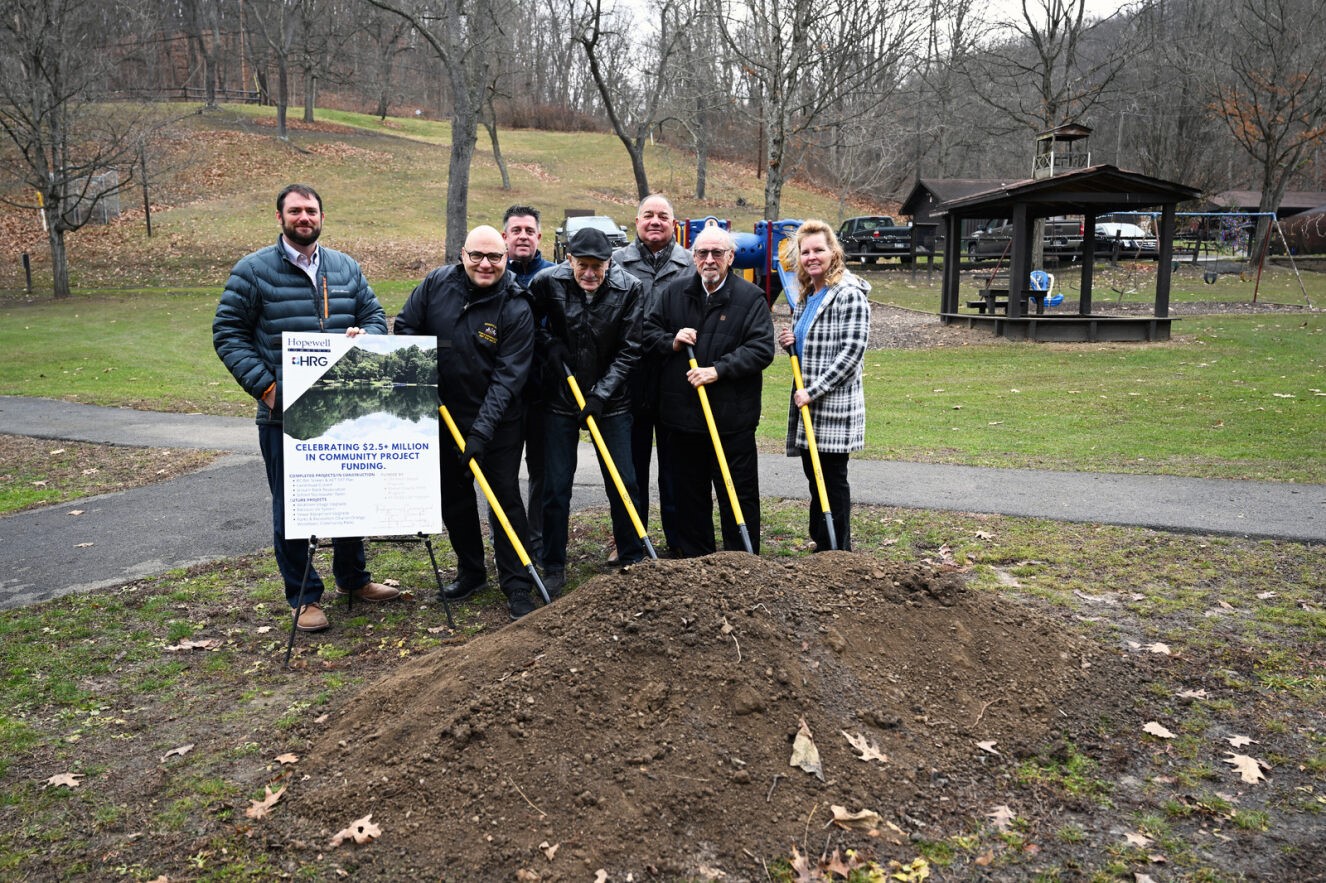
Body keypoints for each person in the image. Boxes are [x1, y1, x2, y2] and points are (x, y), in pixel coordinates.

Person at [213, 183, 400, 633]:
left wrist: (366, 337)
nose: (304, 218)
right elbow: (228, 333)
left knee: (348, 498)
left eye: (311, 211)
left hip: (341, 411)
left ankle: (353, 580)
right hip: (283, 415)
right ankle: (303, 597)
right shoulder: (253, 270)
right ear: (280, 217)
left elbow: (375, 316)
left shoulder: (345, 267)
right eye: (295, 211)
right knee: (294, 508)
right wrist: (267, 389)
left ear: (321, 216)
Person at [394, 225, 539, 620]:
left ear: (506, 258)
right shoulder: (436, 285)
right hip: (442, 414)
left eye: (494, 257)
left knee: (504, 499)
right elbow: (405, 328)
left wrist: (480, 431)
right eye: (477, 255)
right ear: (463, 254)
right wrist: (422, 379)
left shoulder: (516, 305)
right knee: (453, 499)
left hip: (499, 422)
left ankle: (517, 583)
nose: (485, 264)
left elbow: (508, 378)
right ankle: (472, 572)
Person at [643, 224, 774, 557]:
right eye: (703, 253)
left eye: (718, 253)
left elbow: (761, 348)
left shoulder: (751, 297)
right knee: (689, 495)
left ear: (731, 257)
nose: (710, 259)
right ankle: (695, 561)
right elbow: (648, 334)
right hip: (683, 420)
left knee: (738, 494)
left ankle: (741, 560)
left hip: (731, 419)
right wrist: (671, 341)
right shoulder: (674, 293)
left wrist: (719, 370)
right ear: (693, 257)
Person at [530, 228, 645, 595]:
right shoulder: (546, 283)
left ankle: (632, 556)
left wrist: (600, 395)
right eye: (583, 266)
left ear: (610, 262)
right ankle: (553, 564)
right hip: (560, 399)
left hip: (613, 403)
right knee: (555, 484)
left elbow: (631, 349)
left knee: (624, 481)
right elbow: (526, 324)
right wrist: (548, 344)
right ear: (569, 260)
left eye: (598, 266)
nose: (590, 274)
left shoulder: (630, 288)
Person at [777, 220, 870, 551]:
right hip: (808, 407)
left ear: (834, 252)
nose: (812, 257)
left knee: (831, 480)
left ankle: (838, 551)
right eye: (805, 252)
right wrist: (790, 341)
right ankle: (822, 543)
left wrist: (813, 391)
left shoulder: (850, 294)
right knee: (815, 481)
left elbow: (851, 355)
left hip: (832, 406)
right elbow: (806, 344)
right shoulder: (806, 295)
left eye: (819, 249)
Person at [614, 194, 693, 557]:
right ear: (637, 221)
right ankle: (630, 540)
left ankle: (679, 540)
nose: (656, 221)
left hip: (676, 376)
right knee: (631, 464)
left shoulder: (690, 264)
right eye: (649, 215)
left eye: (663, 216)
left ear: (673, 223)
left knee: (676, 467)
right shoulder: (617, 263)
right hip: (630, 376)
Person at [502, 205, 556, 561]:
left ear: (539, 237)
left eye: (529, 231)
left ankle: (536, 541)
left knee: (543, 472)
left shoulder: (556, 276)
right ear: (504, 235)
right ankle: (506, 545)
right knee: (503, 477)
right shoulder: (487, 271)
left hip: (544, 394)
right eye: (516, 230)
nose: (523, 236)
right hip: (502, 395)